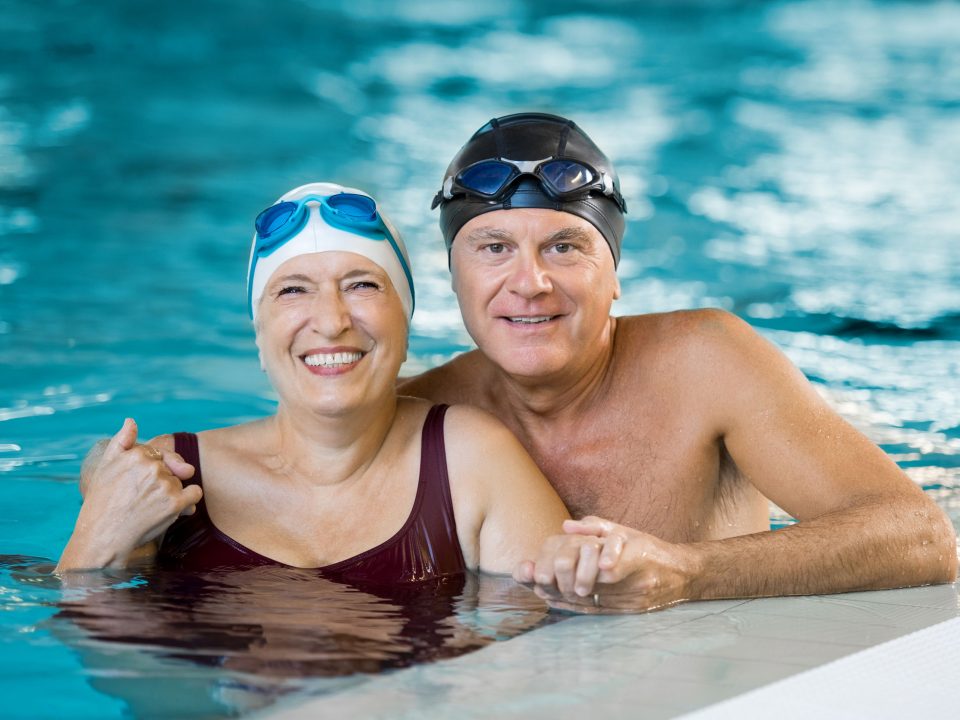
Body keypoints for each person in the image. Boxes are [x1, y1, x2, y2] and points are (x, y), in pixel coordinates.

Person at [399, 112, 958, 611]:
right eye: (494, 248)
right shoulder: (421, 417)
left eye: (564, 247)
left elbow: (923, 537)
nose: (530, 283)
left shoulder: (707, 363)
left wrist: (685, 572)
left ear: (614, 274)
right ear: (454, 277)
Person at [58, 182, 569, 581]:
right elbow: (92, 664)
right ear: (259, 338)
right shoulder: (168, 482)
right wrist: (96, 537)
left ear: (405, 323)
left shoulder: (470, 461)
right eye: (293, 290)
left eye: (362, 285)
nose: (330, 320)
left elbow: (564, 652)